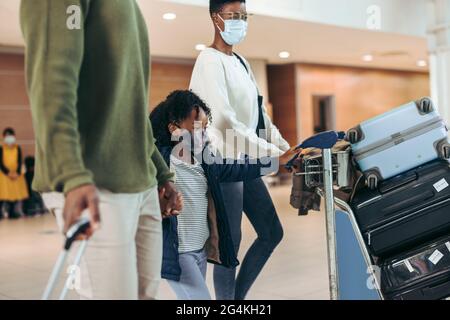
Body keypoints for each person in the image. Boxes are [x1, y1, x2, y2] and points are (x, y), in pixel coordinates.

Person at [20, 0, 182, 300]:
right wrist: (73, 175)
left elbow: (130, 108)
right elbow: (52, 87)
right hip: (93, 183)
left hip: (141, 183)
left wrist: (160, 173)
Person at [150, 90, 298, 300]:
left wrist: (278, 161)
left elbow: (237, 168)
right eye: (196, 129)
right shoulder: (162, 163)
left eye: (205, 128)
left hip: (199, 250)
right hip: (178, 255)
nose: (204, 135)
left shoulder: (204, 159)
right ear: (174, 129)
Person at [189, 0, 292, 300]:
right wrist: (271, 153)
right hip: (222, 163)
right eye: (233, 15)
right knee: (229, 246)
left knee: (272, 232)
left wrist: (287, 147)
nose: (240, 22)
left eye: (244, 16)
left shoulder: (242, 62)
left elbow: (260, 115)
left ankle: (235, 300)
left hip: (243, 162)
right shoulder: (208, 60)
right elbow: (222, 122)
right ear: (215, 17)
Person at [0, 128, 29, 219]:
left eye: (11, 135)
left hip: (16, 175)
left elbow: (19, 161)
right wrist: (8, 173)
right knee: (4, 194)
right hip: (5, 175)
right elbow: (0, 163)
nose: (9, 138)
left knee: (17, 194)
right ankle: (2, 213)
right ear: (4, 137)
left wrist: (17, 172)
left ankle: (15, 212)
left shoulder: (17, 148)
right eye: (7, 136)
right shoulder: (1, 148)